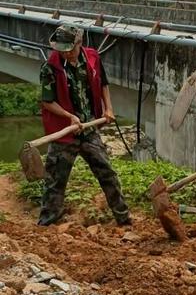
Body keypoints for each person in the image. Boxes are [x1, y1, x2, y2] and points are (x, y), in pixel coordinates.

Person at [38, 25, 131, 227]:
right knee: (55, 181)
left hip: (89, 129)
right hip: (65, 132)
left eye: (70, 49)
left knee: (107, 173)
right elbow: (47, 101)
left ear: (79, 44)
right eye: (62, 49)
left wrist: (109, 109)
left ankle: (124, 220)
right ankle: (45, 225)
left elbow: (103, 83)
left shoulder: (92, 58)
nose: (66, 53)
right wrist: (69, 116)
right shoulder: (50, 68)